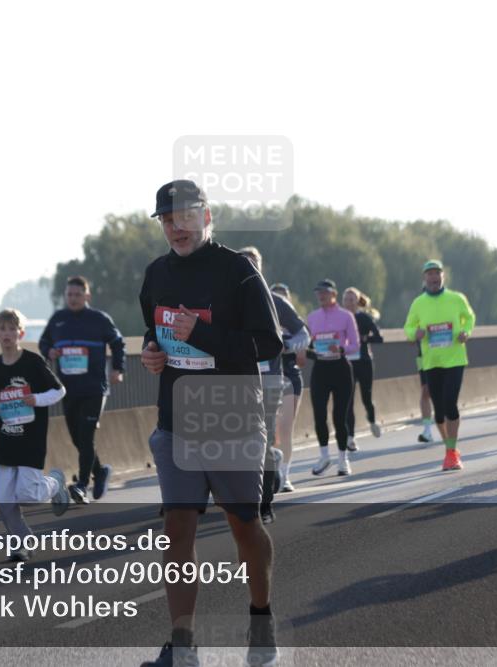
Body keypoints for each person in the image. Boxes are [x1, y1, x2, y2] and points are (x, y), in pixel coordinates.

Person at [139, 179, 282, 667]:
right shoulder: (156, 274)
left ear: (206, 214)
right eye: (166, 219)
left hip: (233, 420)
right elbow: (152, 328)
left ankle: (260, 621)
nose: (176, 227)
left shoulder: (238, 272)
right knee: (177, 529)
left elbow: (268, 345)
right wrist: (152, 352)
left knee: (244, 526)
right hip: (176, 423)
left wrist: (201, 332)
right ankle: (183, 644)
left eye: (184, 216)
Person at [0, 309, 70, 562]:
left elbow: (59, 390)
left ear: (20, 333)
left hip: (31, 439)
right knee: (3, 499)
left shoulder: (33, 362)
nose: (7, 334)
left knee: (29, 494)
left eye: (12, 329)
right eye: (2, 329)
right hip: (6, 439)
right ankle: (20, 544)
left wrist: (37, 399)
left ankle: (55, 482)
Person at [39, 275, 126, 505]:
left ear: (87, 296)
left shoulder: (99, 319)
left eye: (78, 294)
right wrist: (50, 352)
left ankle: (81, 485)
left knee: (86, 436)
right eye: (69, 294)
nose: (73, 298)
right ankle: (101, 472)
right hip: (68, 389)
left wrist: (118, 368)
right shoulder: (58, 320)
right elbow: (44, 342)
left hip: (94, 388)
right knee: (78, 439)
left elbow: (118, 343)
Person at [238, 249, 309, 523]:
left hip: (269, 380)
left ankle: (263, 505)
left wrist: (290, 344)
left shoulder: (277, 302)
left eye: (252, 265)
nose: (248, 269)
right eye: (242, 264)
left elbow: (303, 331)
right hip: (236, 379)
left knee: (261, 438)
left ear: (260, 268)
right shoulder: (227, 300)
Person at [403, 260, 475, 471]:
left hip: (455, 359)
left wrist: (466, 333)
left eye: (437, 274)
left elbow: (469, 318)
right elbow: (408, 327)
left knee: (450, 403)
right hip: (431, 361)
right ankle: (449, 446)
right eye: (429, 274)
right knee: (439, 412)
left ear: (443, 277)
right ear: (424, 279)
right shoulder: (418, 303)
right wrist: (413, 334)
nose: (434, 278)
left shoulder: (456, 298)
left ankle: (451, 453)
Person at [306, 279, 360, 476]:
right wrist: (309, 351)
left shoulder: (345, 316)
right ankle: (324, 456)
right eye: (318, 293)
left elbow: (356, 345)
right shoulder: (312, 317)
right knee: (319, 414)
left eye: (325, 292)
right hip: (320, 369)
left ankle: (342, 459)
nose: (321, 296)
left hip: (341, 369)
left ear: (334, 294)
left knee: (339, 416)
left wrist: (341, 348)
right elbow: (307, 345)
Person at [269, 282, 308, 492]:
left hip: (290, 376)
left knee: (285, 429)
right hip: (265, 377)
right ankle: (271, 468)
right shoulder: (262, 319)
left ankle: (285, 475)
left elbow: (302, 358)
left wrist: (288, 345)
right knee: (270, 432)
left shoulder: (294, 325)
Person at [342, 287, 384, 446]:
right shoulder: (340, 318)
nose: (348, 303)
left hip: (364, 362)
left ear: (357, 302)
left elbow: (379, 338)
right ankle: (350, 437)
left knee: (366, 398)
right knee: (348, 401)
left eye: (352, 300)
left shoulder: (365, 318)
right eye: (346, 300)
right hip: (346, 364)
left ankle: (372, 421)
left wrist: (364, 339)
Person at [416, 340, 435, 443]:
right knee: (425, 391)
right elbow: (410, 338)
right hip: (421, 358)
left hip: (444, 356)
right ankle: (427, 431)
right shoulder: (415, 322)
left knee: (442, 392)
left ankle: (449, 428)